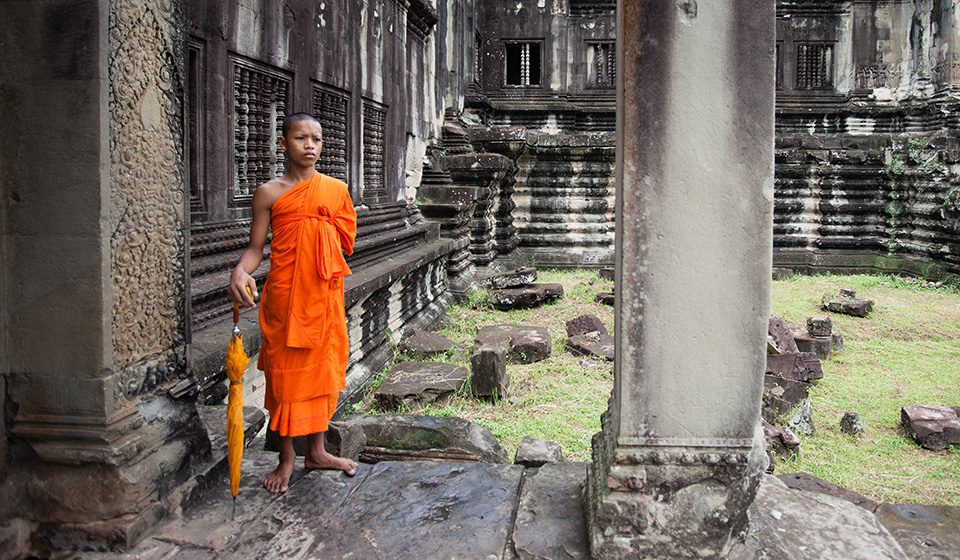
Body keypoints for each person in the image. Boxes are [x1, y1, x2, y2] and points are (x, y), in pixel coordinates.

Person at [228, 112, 358, 494]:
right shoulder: (269, 193)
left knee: (322, 375)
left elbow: (344, 241)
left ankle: (316, 451)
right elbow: (256, 248)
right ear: (282, 143)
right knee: (285, 378)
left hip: (323, 297)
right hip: (285, 300)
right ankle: (287, 458)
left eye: (316, 139)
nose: (310, 146)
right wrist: (240, 271)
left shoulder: (335, 189)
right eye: (301, 138)